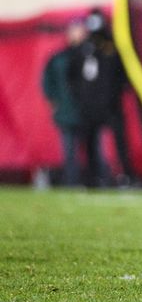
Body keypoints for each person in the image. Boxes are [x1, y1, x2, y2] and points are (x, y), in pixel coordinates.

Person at [73, 8, 136, 187]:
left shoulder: (112, 47)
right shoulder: (83, 49)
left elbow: (122, 75)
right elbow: (74, 76)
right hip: (89, 105)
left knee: (120, 143)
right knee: (89, 142)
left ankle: (126, 175)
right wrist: (80, 96)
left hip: (110, 105)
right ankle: (92, 177)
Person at [42, 18, 87, 186]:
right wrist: (53, 101)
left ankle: (91, 180)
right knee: (69, 151)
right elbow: (48, 82)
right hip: (66, 112)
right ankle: (71, 182)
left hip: (86, 112)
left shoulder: (89, 55)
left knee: (91, 149)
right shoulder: (59, 58)